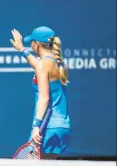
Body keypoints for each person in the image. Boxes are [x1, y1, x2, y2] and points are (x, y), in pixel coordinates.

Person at [10, 26, 71, 159]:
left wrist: (36, 126)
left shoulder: (43, 64)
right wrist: (21, 49)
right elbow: (38, 65)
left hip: (47, 126)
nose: (30, 44)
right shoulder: (55, 62)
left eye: (31, 41)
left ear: (37, 44)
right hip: (60, 126)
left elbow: (44, 98)